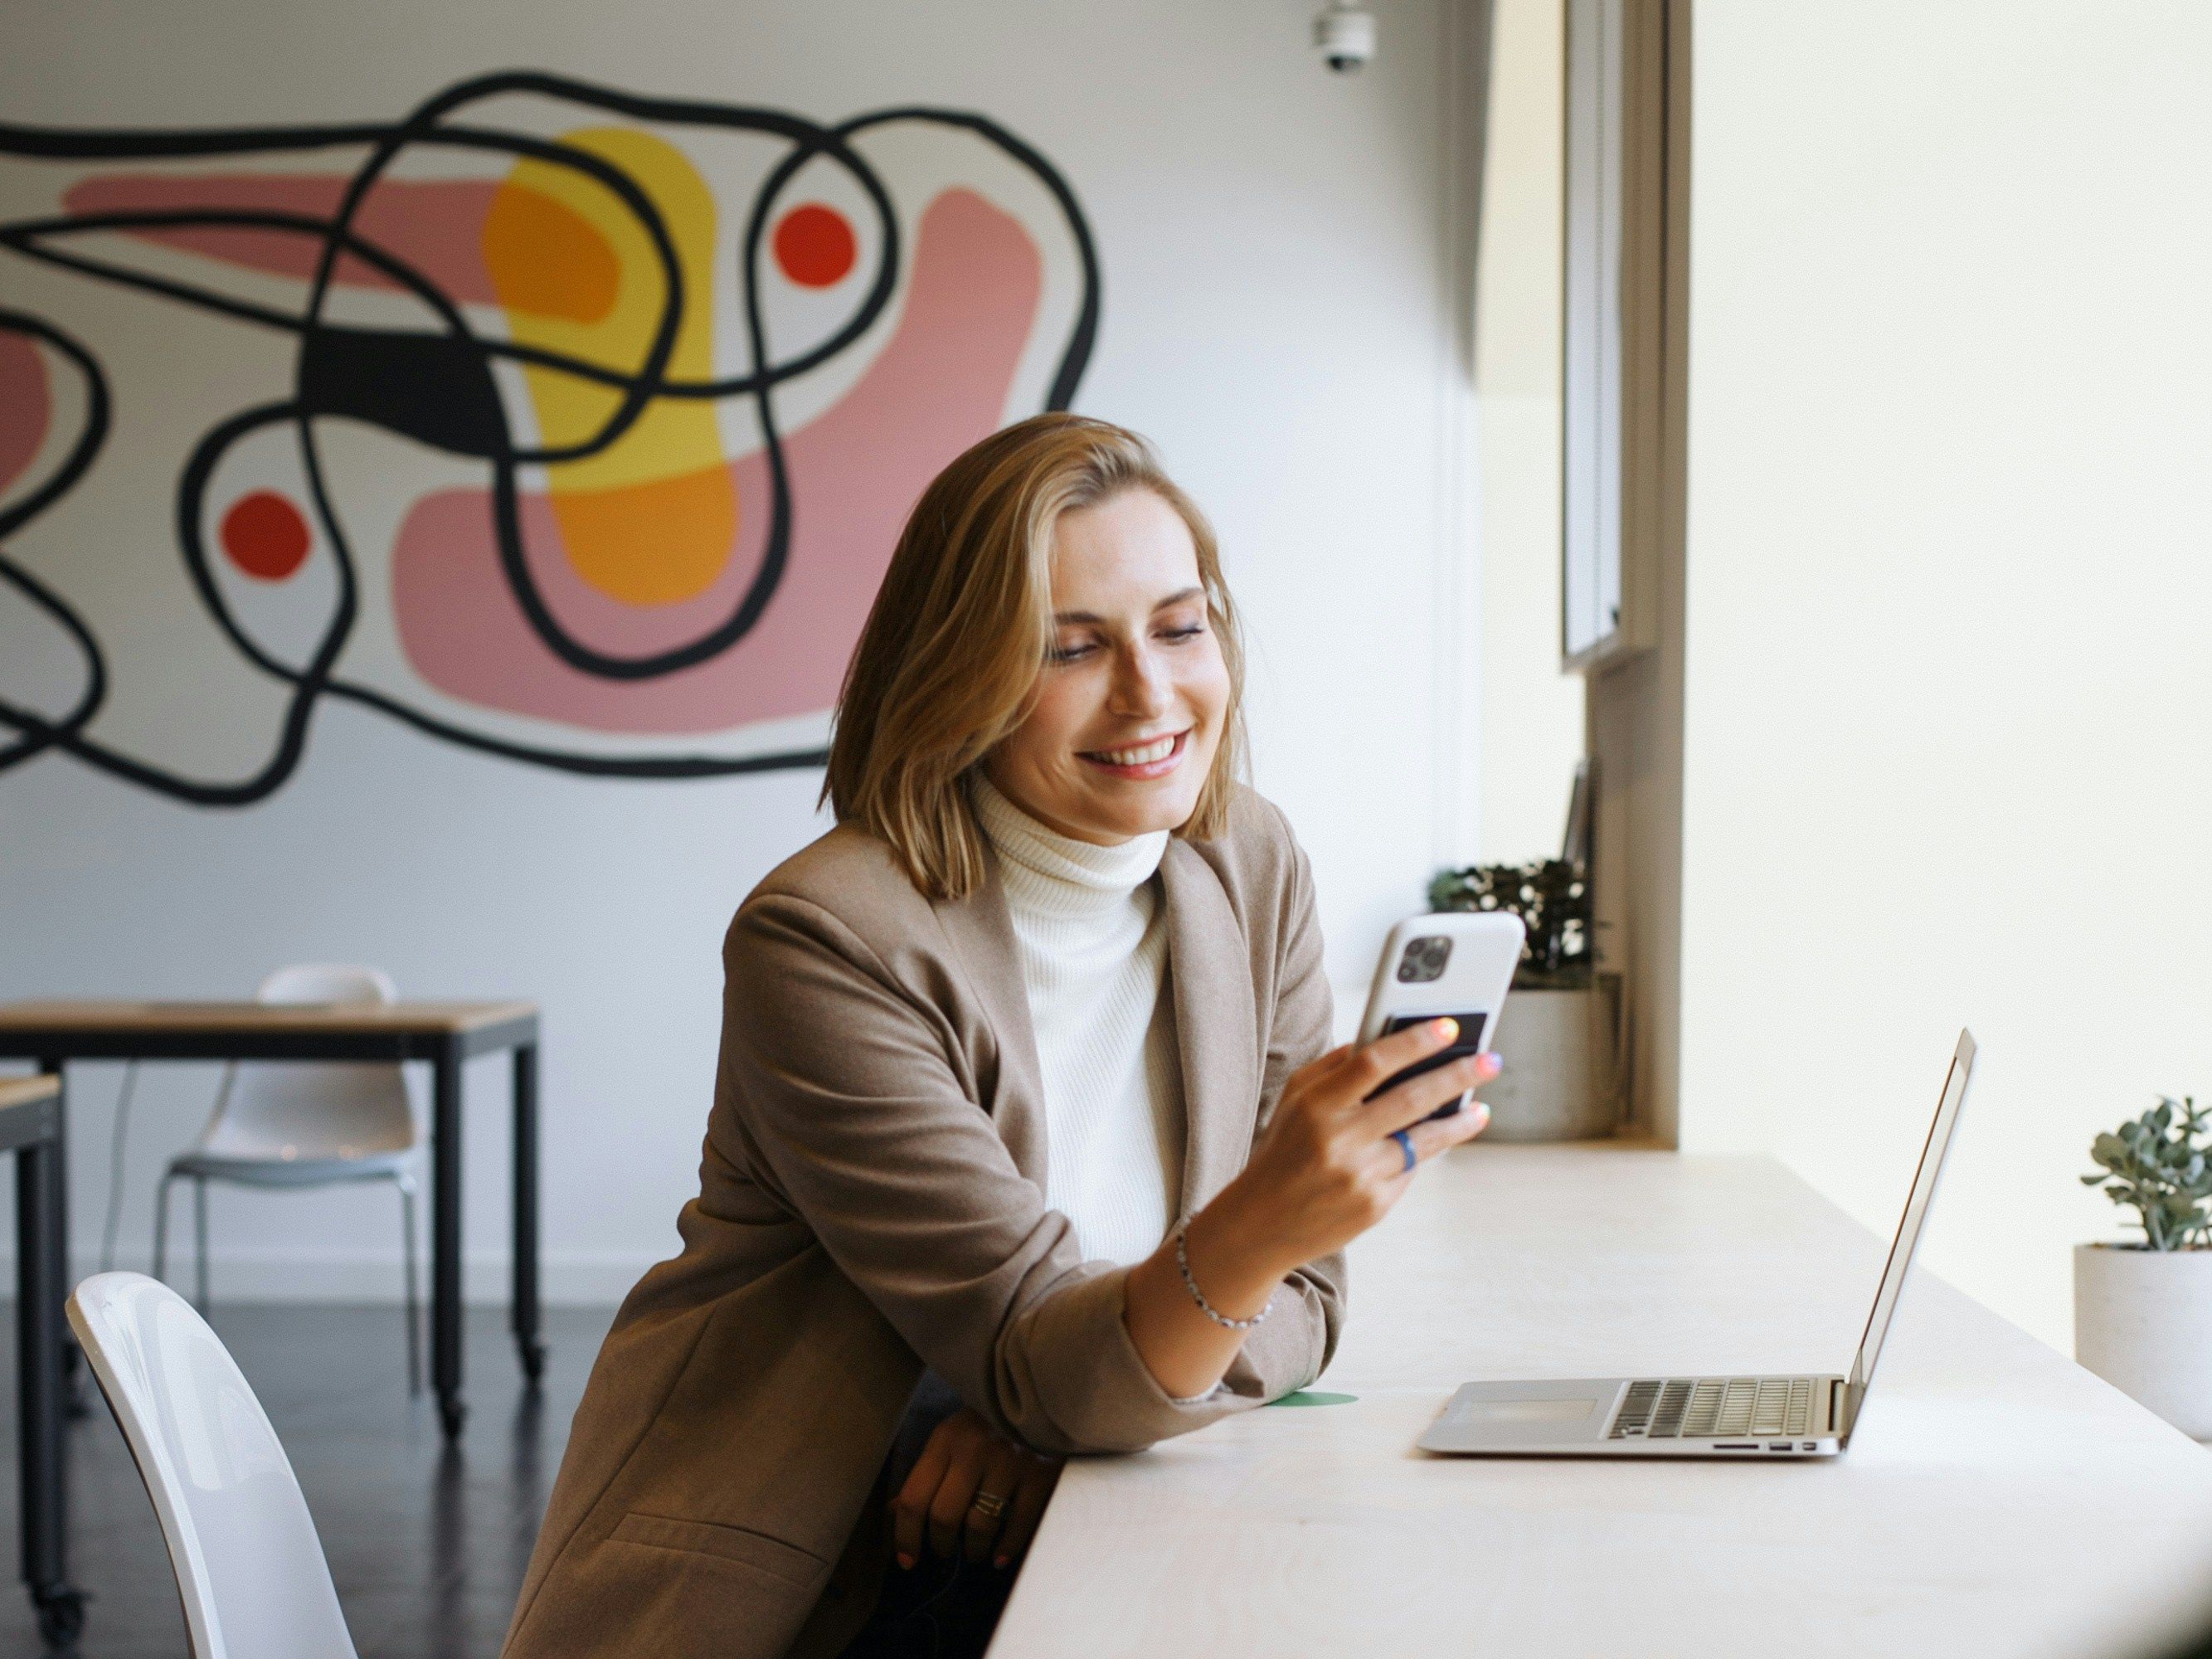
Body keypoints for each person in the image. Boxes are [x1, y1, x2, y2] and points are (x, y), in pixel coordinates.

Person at [500, 414, 1500, 1659]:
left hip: (1054, 1520)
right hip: (817, 1588)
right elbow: (1140, 1327)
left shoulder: (1248, 864)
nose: (1151, 692)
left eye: (1181, 627)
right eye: (1071, 649)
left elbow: (1297, 1307)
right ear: (959, 674)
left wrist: (1069, 1419)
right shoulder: (826, 939)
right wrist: (1107, 1363)